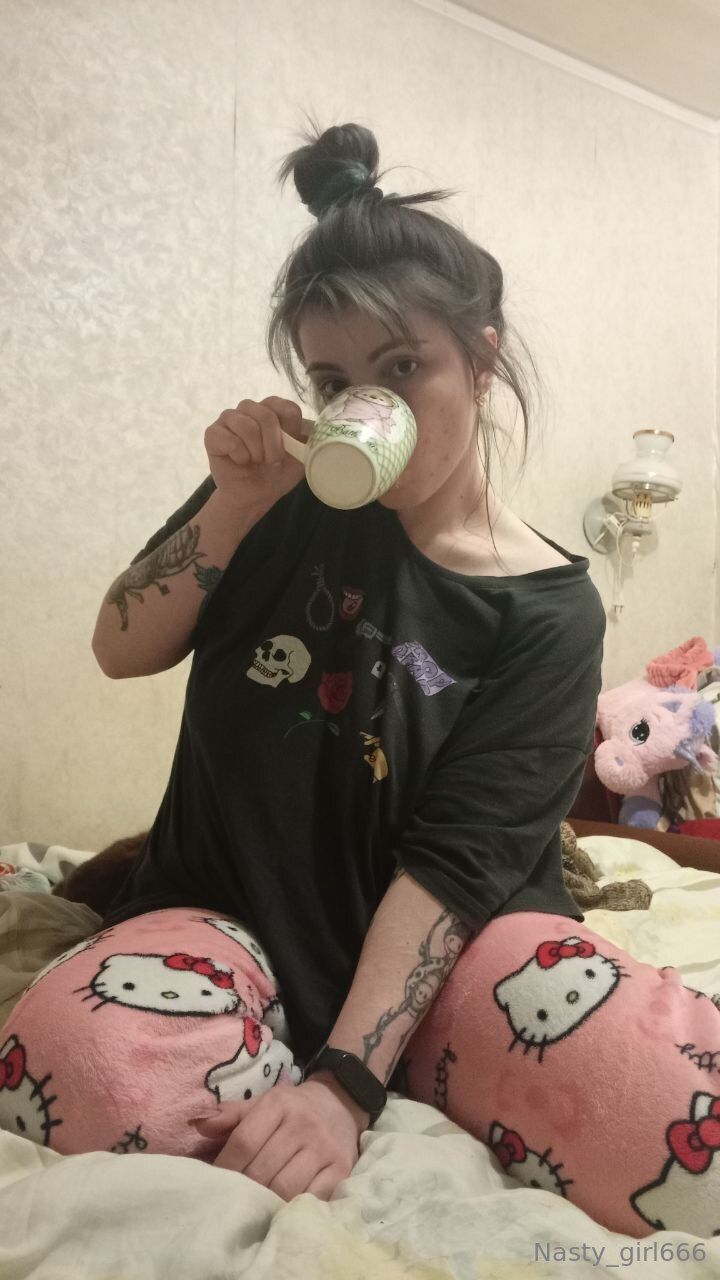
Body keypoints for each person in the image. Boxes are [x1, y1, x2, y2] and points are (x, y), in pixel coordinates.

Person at [5, 119, 716, 1239]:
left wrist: (344, 1081)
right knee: (69, 1070)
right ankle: (260, 1037)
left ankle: (417, 1058)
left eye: (402, 368)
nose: (365, 405)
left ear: (481, 360)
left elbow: (459, 863)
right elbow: (120, 643)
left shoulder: (548, 608)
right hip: (231, 909)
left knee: (682, 1120)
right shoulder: (274, 503)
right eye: (334, 378)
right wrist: (233, 502)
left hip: (457, 948)